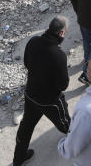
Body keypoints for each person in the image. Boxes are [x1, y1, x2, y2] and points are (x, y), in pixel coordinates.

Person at [14, 16, 72, 166]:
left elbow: (27, 63)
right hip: (50, 102)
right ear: (60, 33)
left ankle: (18, 159)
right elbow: (63, 85)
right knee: (66, 125)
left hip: (31, 95)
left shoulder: (33, 41)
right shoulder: (59, 55)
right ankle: (78, 145)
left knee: (26, 127)